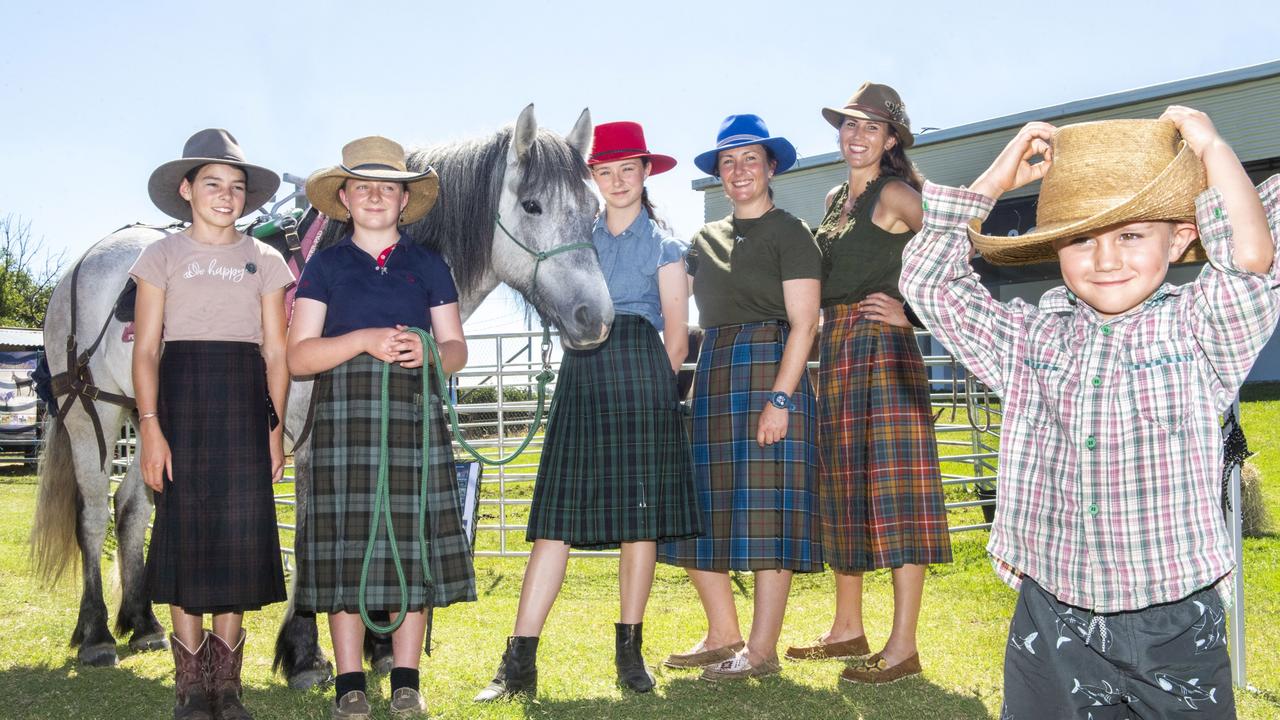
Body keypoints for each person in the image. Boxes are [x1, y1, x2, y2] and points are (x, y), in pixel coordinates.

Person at [900, 109, 1278, 716]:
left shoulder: (1202, 329)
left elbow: (1251, 260)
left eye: (1130, 235)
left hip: (1176, 618)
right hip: (1052, 617)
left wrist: (1212, 148)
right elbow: (929, 282)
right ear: (1055, 248)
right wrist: (993, 182)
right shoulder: (1028, 339)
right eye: (1081, 238)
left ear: (1179, 238)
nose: (1104, 260)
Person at [474, 121, 700, 701]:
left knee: (640, 522)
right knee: (555, 520)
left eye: (629, 169)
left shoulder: (666, 247)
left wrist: (652, 396)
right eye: (606, 170)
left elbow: (676, 339)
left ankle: (630, 654)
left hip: (643, 371)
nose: (618, 180)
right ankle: (518, 660)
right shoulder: (577, 235)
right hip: (583, 370)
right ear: (592, 178)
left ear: (646, 173)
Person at [288, 136, 476, 719]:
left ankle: (405, 681)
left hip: (413, 418)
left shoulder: (428, 263)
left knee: (412, 544)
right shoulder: (326, 264)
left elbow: (456, 349)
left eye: (386, 187)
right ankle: (350, 685)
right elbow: (299, 357)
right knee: (346, 548)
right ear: (344, 197)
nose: (374, 196)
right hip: (344, 417)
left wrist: (429, 353)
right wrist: (364, 342)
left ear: (403, 199)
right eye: (362, 186)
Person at [785, 82, 952, 684]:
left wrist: (917, 313)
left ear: (891, 139)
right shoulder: (835, 199)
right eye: (849, 125)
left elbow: (958, 253)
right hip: (836, 350)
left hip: (884, 349)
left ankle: (903, 647)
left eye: (870, 128)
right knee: (843, 489)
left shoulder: (900, 194)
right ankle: (847, 629)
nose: (856, 136)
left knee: (898, 492)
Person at [657, 114, 824, 681]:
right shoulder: (702, 242)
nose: (739, 170)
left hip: (772, 370)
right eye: (728, 162)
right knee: (698, 508)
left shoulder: (791, 232)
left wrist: (781, 399)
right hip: (716, 372)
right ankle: (722, 633)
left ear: (770, 167)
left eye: (750, 158)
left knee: (766, 512)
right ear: (718, 176)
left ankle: (760, 650)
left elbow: (805, 323)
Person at [131, 128, 290, 720]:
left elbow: (275, 352)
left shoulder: (265, 259)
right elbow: (145, 351)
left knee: (238, 540)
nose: (226, 195)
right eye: (213, 184)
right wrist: (151, 425)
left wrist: (274, 429)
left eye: (236, 187)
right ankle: (191, 688)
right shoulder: (161, 256)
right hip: (181, 402)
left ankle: (227, 686)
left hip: (245, 403)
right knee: (186, 534)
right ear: (187, 188)